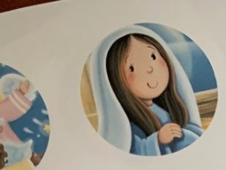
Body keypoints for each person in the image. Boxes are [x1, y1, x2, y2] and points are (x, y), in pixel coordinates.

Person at [87, 25, 204, 156]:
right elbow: (131, 150)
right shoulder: (127, 124)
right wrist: (158, 140)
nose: (149, 69)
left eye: (153, 57)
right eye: (132, 68)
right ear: (115, 80)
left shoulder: (165, 109)